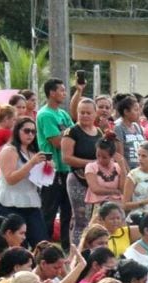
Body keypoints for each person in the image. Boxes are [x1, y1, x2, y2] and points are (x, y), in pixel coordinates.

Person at [0, 118, 48, 246]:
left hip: (31, 201)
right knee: (14, 245)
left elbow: (38, 179)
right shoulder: (9, 151)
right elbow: (10, 179)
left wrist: (47, 168)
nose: (30, 135)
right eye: (27, 131)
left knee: (41, 242)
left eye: (33, 132)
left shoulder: (32, 151)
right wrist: (32, 163)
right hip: (9, 203)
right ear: (17, 131)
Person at [37, 78, 75, 251]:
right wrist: (71, 141)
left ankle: (66, 247)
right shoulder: (45, 114)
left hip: (67, 169)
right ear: (51, 92)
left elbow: (75, 135)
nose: (64, 93)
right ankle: (44, 247)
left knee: (68, 211)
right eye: (61, 90)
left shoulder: (63, 114)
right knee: (49, 210)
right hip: (52, 168)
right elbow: (57, 141)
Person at [61, 97, 103, 247]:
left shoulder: (98, 131)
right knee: (81, 219)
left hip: (96, 180)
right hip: (78, 179)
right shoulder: (71, 132)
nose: (84, 115)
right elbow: (66, 158)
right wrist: (91, 164)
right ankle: (77, 251)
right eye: (81, 112)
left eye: (88, 113)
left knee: (96, 217)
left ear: (95, 114)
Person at [84, 139, 124, 218]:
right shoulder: (91, 166)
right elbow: (95, 189)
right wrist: (115, 191)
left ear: (112, 156)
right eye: (98, 155)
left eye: (104, 157)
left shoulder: (117, 167)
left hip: (116, 205)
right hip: (97, 205)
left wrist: (123, 168)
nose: (100, 159)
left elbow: (122, 189)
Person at [114, 95, 147, 171]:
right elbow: (120, 154)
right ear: (126, 112)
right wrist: (128, 172)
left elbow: (145, 148)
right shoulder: (119, 128)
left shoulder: (137, 127)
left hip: (141, 169)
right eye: (136, 110)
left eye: (139, 110)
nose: (139, 113)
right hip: (129, 170)